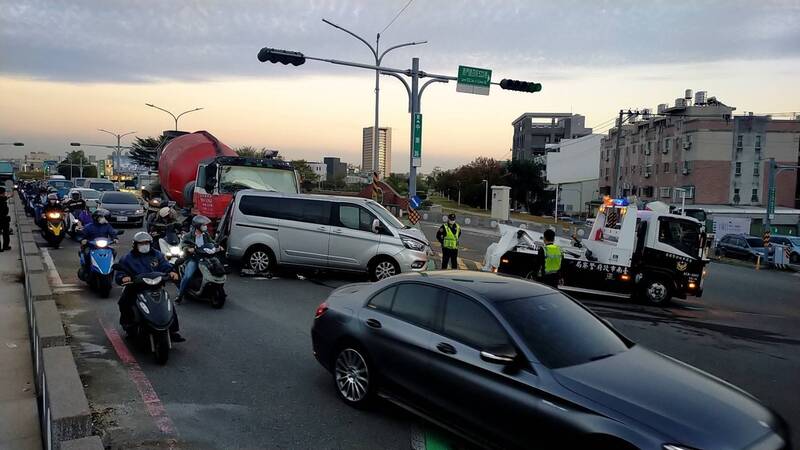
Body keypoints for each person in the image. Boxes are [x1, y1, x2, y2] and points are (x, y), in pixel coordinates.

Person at [115, 232, 184, 342]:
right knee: (124, 302)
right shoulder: (128, 258)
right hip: (135, 287)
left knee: (168, 305)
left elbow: (165, 266)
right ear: (135, 245)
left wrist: (172, 272)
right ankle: (128, 325)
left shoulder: (157, 255)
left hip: (155, 286)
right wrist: (123, 277)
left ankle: (173, 330)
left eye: (146, 243)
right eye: (141, 243)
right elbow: (120, 272)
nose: (144, 245)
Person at [176, 215, 215, 303]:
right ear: (198, 226)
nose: (205, 226)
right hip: (193, 259)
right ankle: (180, 295)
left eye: (205, 225)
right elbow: (182, 245)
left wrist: (217, 246)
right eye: (203, 225)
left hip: (205, 258)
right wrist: (188, 249)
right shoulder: (188, 236)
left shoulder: (205, 235)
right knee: (188, 276)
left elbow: (212, 242)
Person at [78, 209, 118, 274]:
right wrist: (82, 240)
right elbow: (82, 235)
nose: (104, 219)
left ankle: (110, 268)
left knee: (114, 252)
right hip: (91, 247)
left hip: (104, 246)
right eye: (102, 217)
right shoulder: (88, 227)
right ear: (96, 218)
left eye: (105, 218)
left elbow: (112, 232)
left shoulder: (107, 226)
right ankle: (87, 270)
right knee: (86, 253)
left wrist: (115, 238)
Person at [0, 186, 11, 252]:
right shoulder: (2, 200)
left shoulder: (3, 199)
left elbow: (5, 198)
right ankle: (5, 246)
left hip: (3, 219)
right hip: (3, 219)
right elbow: (5, 211)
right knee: (6, 233)